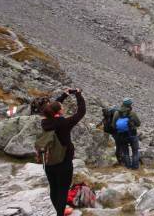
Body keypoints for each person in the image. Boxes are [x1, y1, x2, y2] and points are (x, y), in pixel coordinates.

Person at [40, 88, 86, 216]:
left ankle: (59, 211)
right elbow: (81, 112)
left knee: (54, 188)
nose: (63, 108)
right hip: (63, 162)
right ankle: (60, 214)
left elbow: (51, 107)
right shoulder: (64, 123)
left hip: (48, 161)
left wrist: (64, 95)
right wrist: (78, 94)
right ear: (59, 111)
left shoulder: (44, 121)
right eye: (62, 107)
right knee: (63, 190)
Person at [113, 98, 141, 170]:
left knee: (125, 152)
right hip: (132, 135)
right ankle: (135, 167)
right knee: (135, 151)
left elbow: (113, 125)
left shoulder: (116, 113)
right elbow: (138, 123)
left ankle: (128, 167)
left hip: (121, 136)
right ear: (130, 105)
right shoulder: (132, 113)